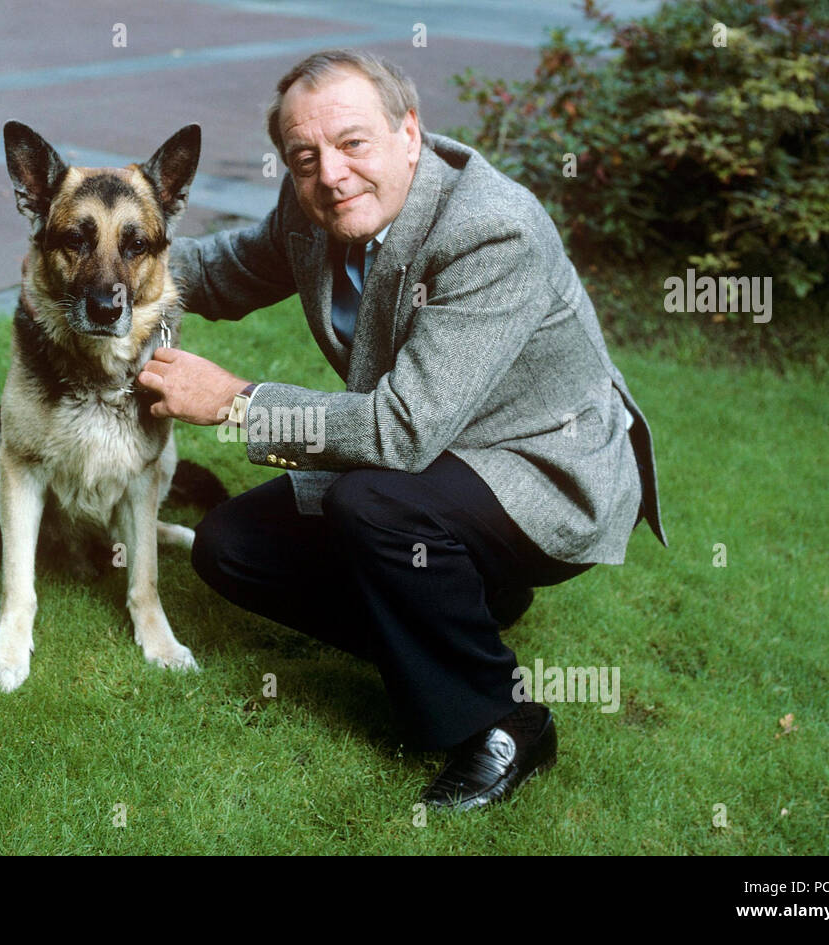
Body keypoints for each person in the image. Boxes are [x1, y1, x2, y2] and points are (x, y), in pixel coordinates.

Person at [135, 48, 667, 811]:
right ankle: (455, 608)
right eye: (304, 155)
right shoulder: (312, 206)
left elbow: (400, 430)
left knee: (374, 505)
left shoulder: (492, 231)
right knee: (230, 547)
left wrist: (234, 402)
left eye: (354, 142)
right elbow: (221, 268)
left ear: (409, 133)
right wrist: (116, 257)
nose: (331, 173)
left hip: (542, 469)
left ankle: (501, 718)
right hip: (440, 456)